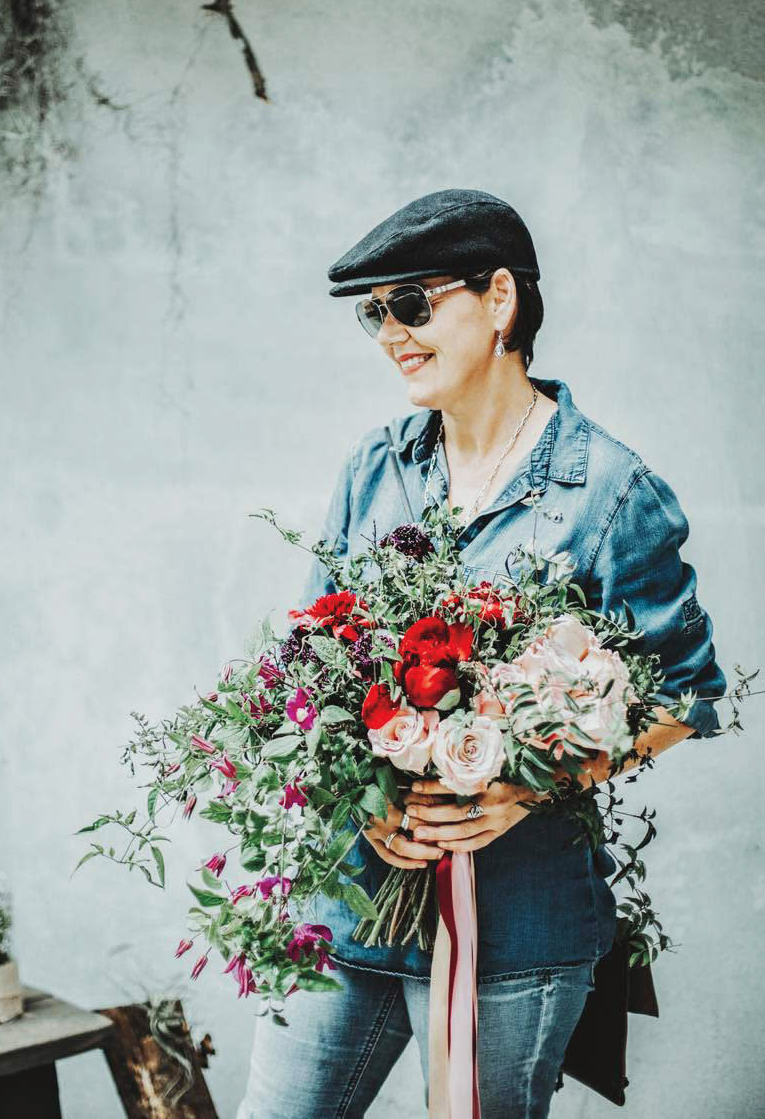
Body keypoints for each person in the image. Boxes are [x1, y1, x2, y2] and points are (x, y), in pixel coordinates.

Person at [236, 189, 726, 1119]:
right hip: (351, 902)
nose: (391, 333)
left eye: (412, 304)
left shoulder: (611, 493)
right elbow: (305, 667)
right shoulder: (373, 470)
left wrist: (524, 787)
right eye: (373, 314)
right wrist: (361, 797)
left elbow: (684, 696)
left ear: (499, 299)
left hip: (512, 935)